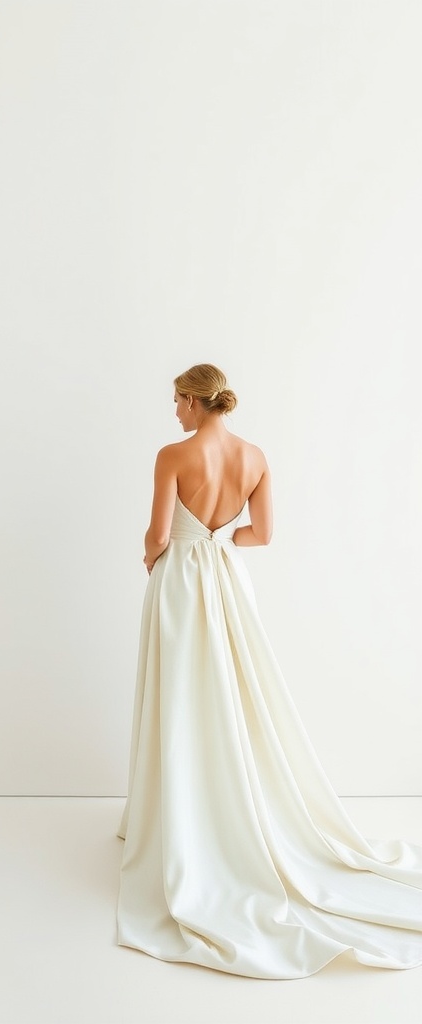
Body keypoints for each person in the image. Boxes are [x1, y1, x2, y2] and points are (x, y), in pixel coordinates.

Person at [116, 363, 422, 979]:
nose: (173, 412)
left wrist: (155, 558)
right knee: (232, 690)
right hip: (229, 581)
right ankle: (231, 803)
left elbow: (156, 534)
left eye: (177, 401)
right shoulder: (255, 457)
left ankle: (181, 811)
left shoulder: (172, 455)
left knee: (181, 692)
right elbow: (262, 534)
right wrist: (220, 543)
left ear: (195, 402)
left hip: (180, 582)